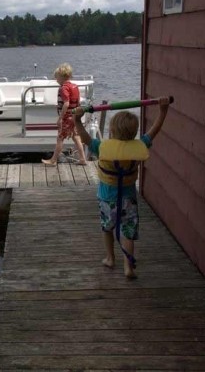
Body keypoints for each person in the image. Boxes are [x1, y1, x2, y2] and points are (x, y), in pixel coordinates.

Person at [73, 100, 170, 279]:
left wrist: (77, 120)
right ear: (133, 132)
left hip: (106, 198)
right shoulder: (140, 146)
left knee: (107, 228)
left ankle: (110, 258)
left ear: (112, 131)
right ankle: (128, 267)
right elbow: (154, 131)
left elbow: (84, 137)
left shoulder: (101, 147)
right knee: (128, 231)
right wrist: (163, 111)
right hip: (128, 199)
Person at [41, 63, 88, 166]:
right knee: (76, 137)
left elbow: (66, 103)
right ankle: (82, 159)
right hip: (74, 116)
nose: (56, 79)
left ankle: (53, 160)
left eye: (57, 77)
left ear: (62, 77)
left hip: (66, 117)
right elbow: (78, 102)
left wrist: (60, 118)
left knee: (60, 138)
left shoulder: (64, 88)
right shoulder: (75, 86)